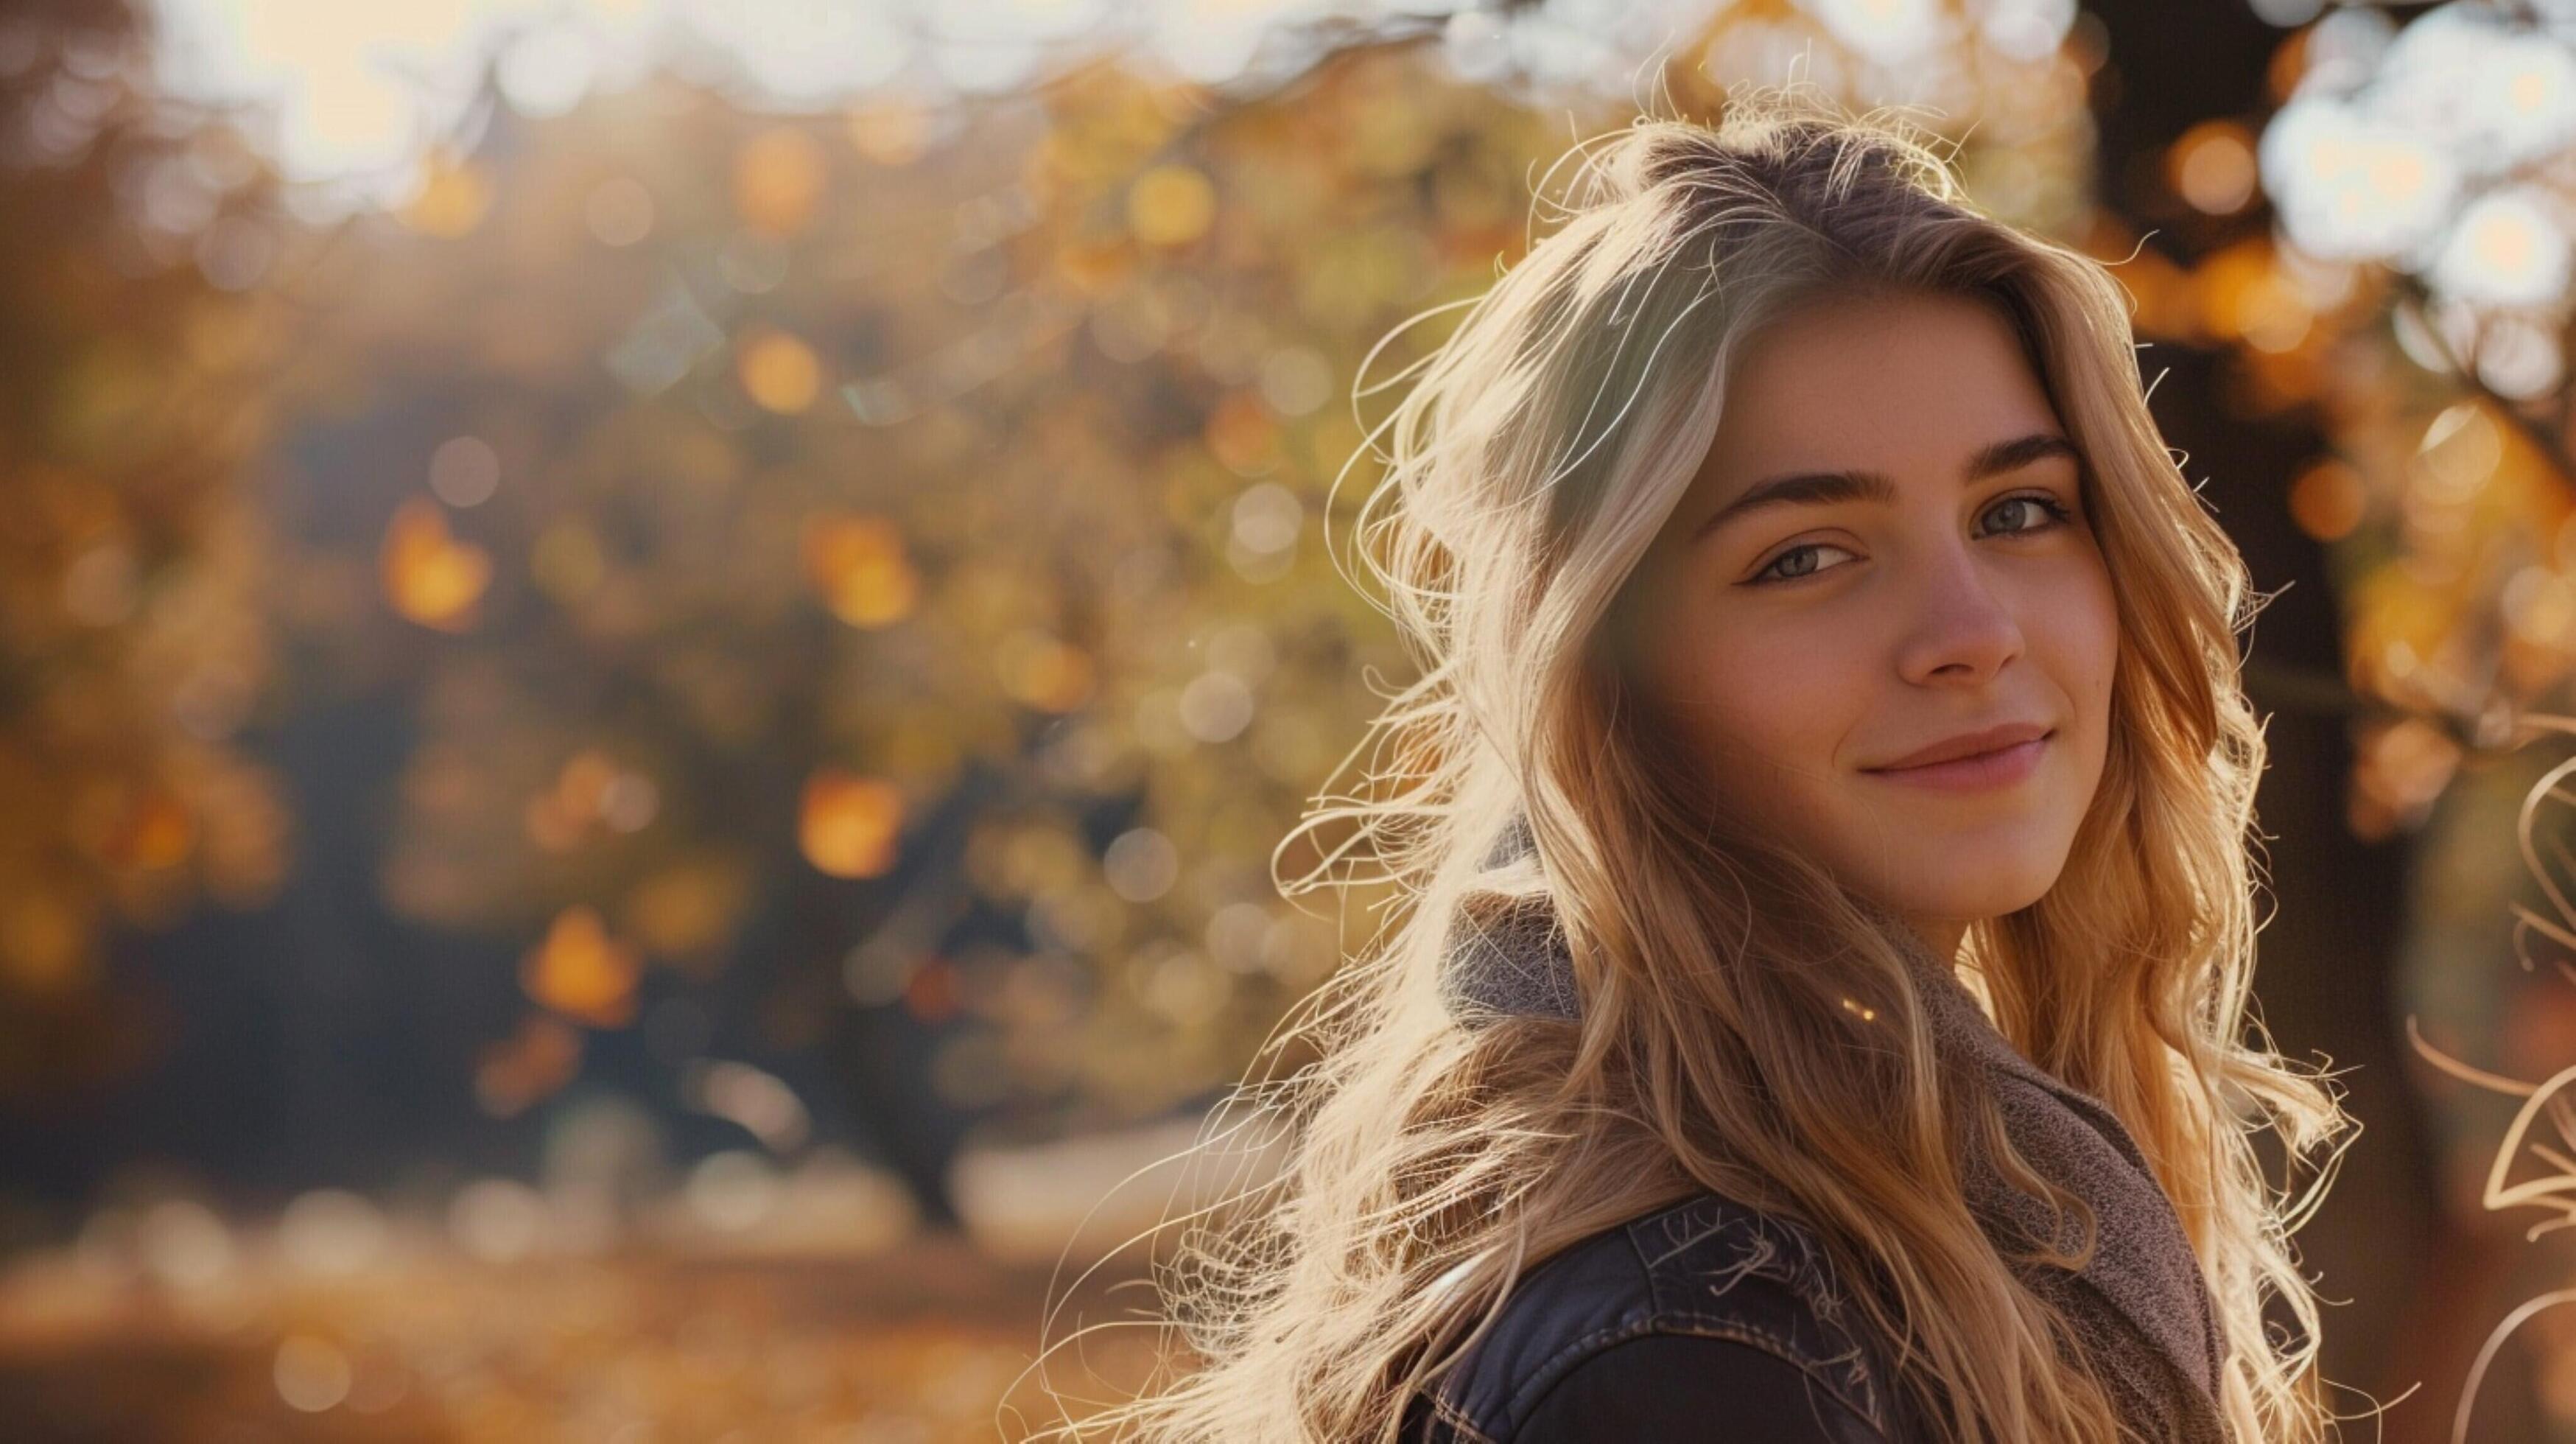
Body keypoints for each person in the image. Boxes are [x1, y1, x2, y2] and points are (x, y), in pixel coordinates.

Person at [1036, 85, 2357, 1444]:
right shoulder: (1697, 1360)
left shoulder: (1962, 1219)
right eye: (1804, 556)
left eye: (2018, 510)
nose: (1970, 634)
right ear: (1607, 674)